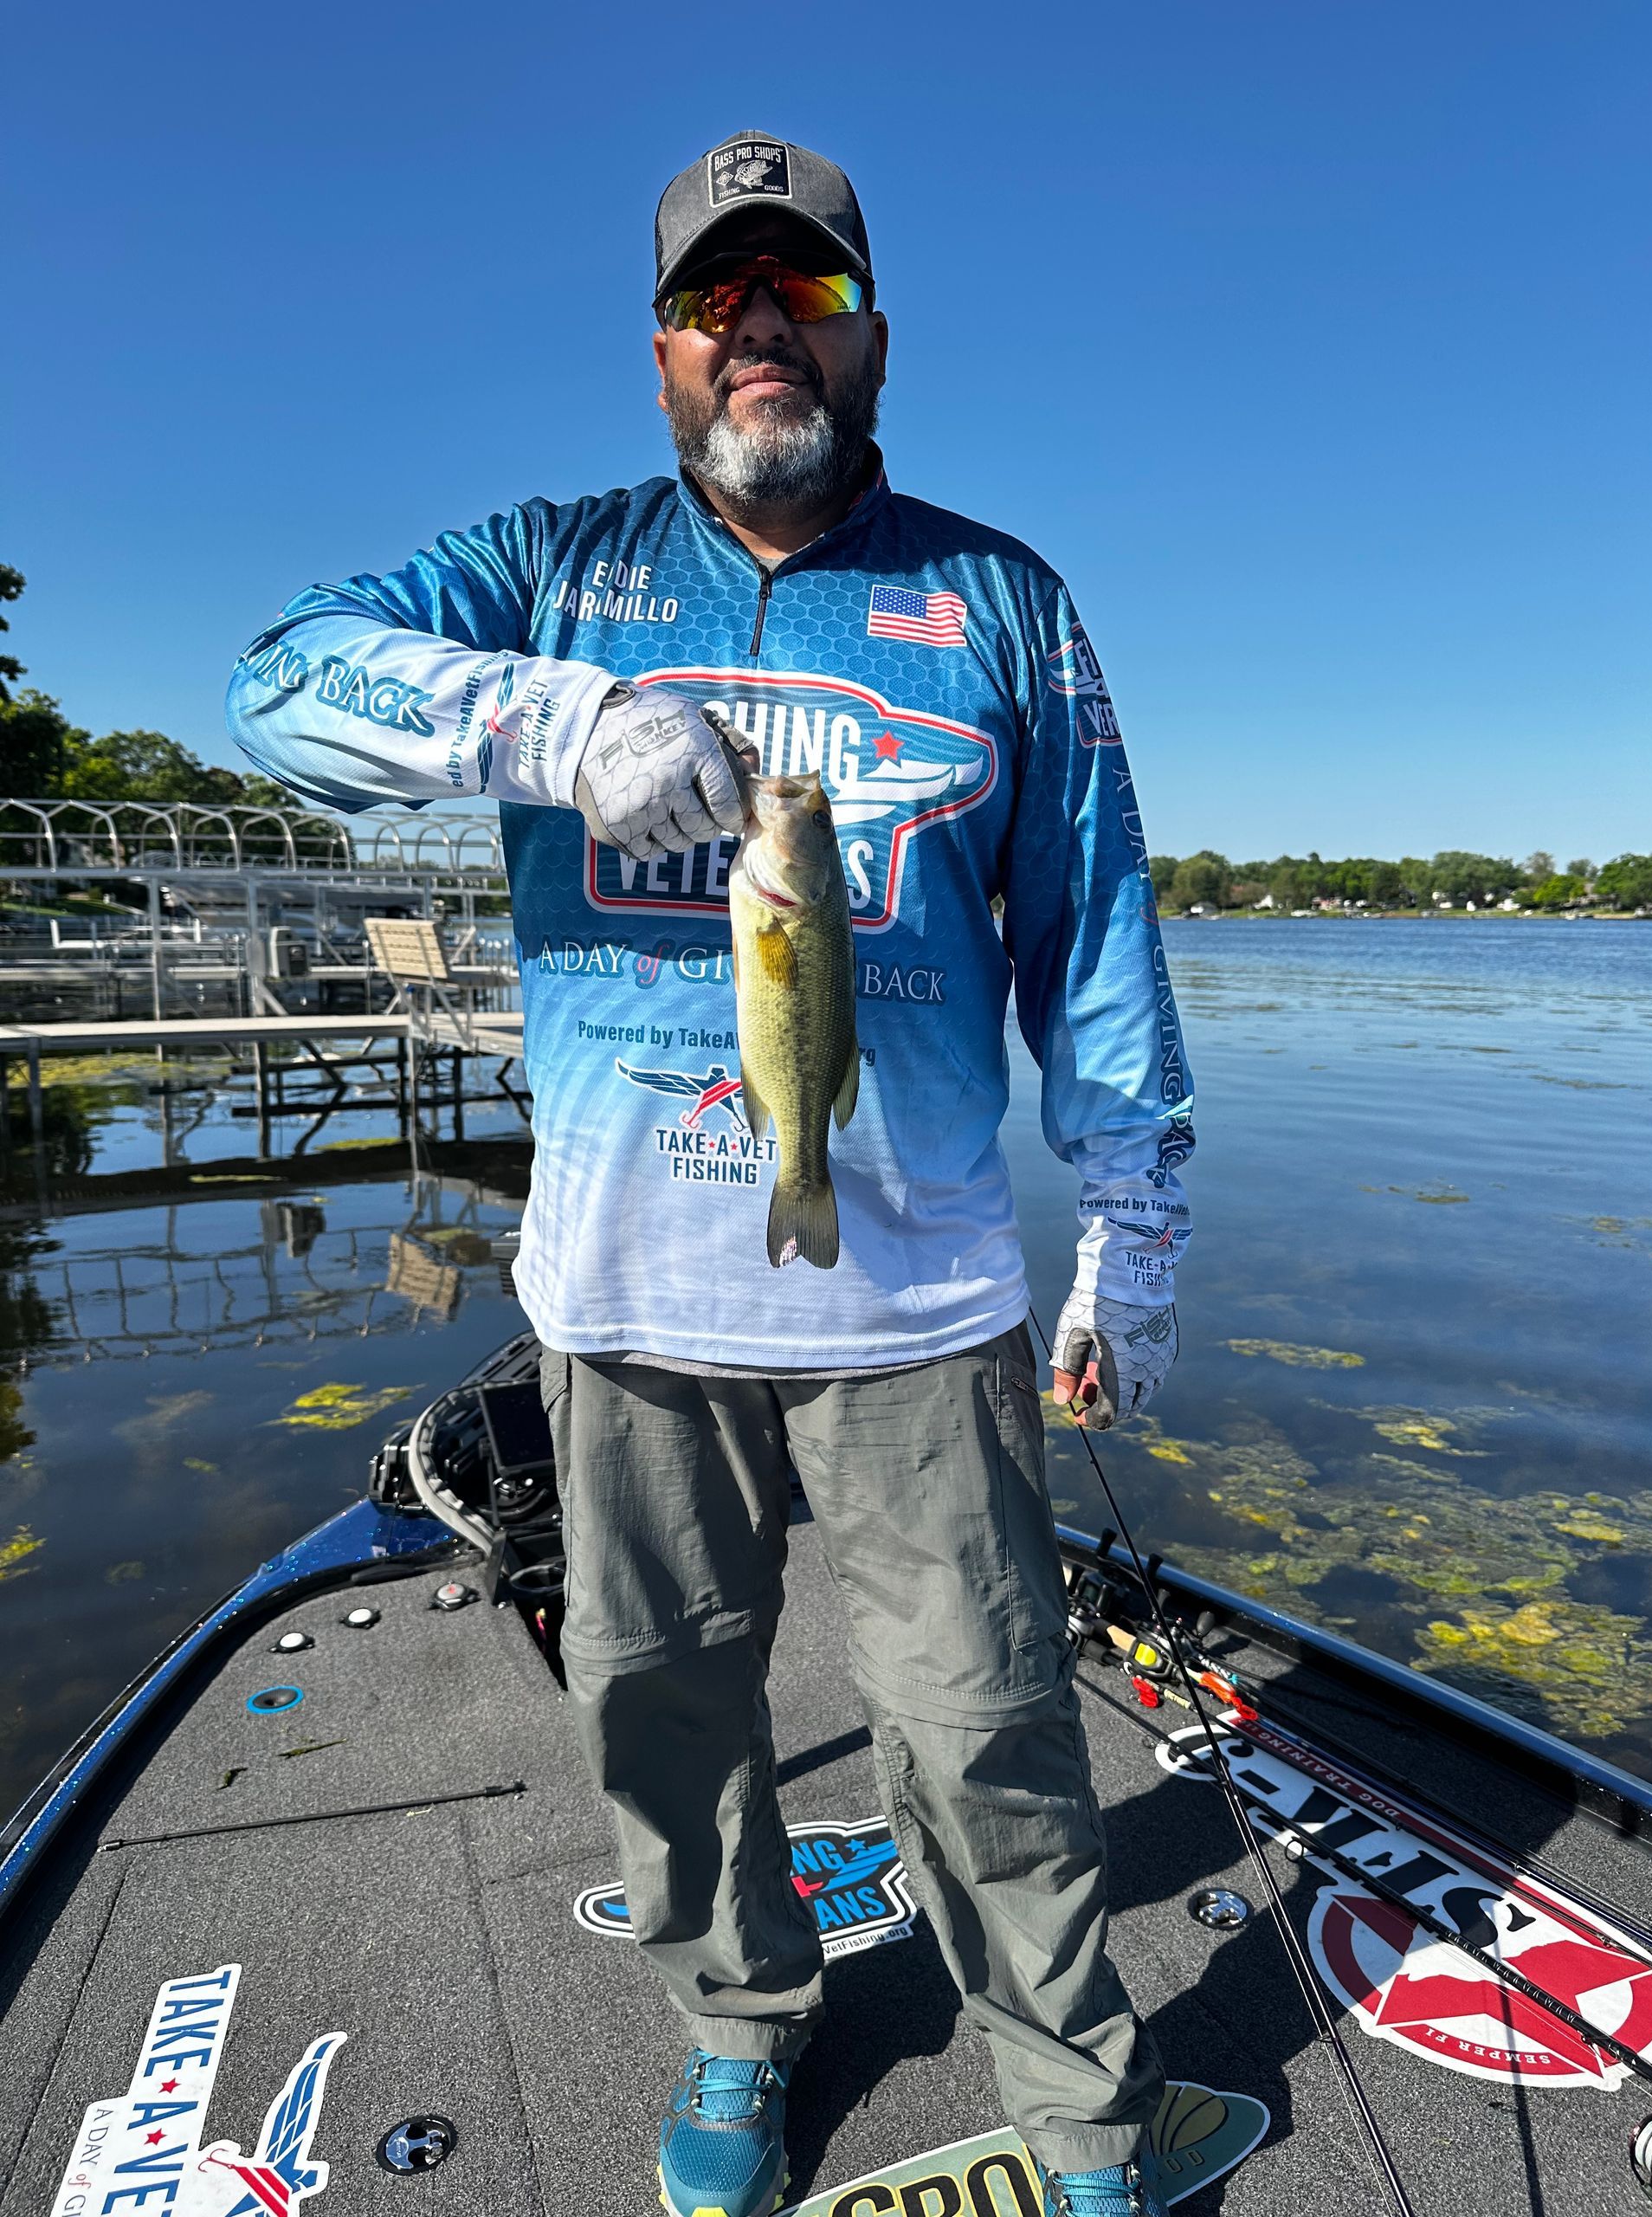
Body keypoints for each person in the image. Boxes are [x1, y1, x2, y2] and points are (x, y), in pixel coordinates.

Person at [227, 130, 1196, 2217]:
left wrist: (1131, 1219)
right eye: (713, 297)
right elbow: (279, 680)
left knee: (989, 1720)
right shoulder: (553, 564)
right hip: (624, 1297)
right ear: (664, 350)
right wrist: (552, 722)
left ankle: (1077, 2097)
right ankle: (742, 2019)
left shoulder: (1004, 599)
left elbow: (1095, 925)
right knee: (661, 1705)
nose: (760, 325)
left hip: (922, 1295)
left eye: (805, 290)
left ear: (871, 335)